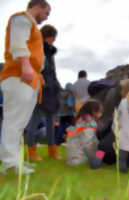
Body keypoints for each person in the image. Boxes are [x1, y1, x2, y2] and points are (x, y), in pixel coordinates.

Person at [0, 0, 51, 174]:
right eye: (46, 13)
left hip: (30, 77)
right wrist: (26, 65)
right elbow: (18, 43)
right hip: (19, 75)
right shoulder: (21, 19)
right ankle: (10, 164)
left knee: (19, 123)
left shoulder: (32, 26)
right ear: (38, 7)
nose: (45, 18)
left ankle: (14, 161)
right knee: (14, 121)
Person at [25, 24, 62, 161]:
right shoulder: (36, 49)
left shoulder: (50, 52)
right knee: (34, 122)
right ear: (48, 36)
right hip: (39, 90)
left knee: (51, 122)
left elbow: (52, 72)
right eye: (53, 38)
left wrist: (56, 85)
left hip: (52, 91)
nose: (54, 40)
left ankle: (52, 151)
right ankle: (31, 152)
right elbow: (33, 69)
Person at [66, 100, 102, 167]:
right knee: (102, 150)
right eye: (100, 111)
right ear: (93, 112)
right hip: (79, 160)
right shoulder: (88, 125)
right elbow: (88, 145)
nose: (101, 113)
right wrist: (96, 156)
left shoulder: (79, 121)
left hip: (72, 159)